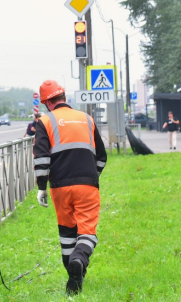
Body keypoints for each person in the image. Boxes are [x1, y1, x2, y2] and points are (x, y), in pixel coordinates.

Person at [33, 80, 107, 295]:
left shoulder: (45, 121)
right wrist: (93, 174)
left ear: (47, 102)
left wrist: (41, 188)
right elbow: (101, 156)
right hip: (87, 185)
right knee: (87, 232)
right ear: (64, 96)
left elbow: (41, 158)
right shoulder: (87, 119)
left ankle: (73, 277)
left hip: (59, 187)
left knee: (67, 233)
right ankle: (79, 259)